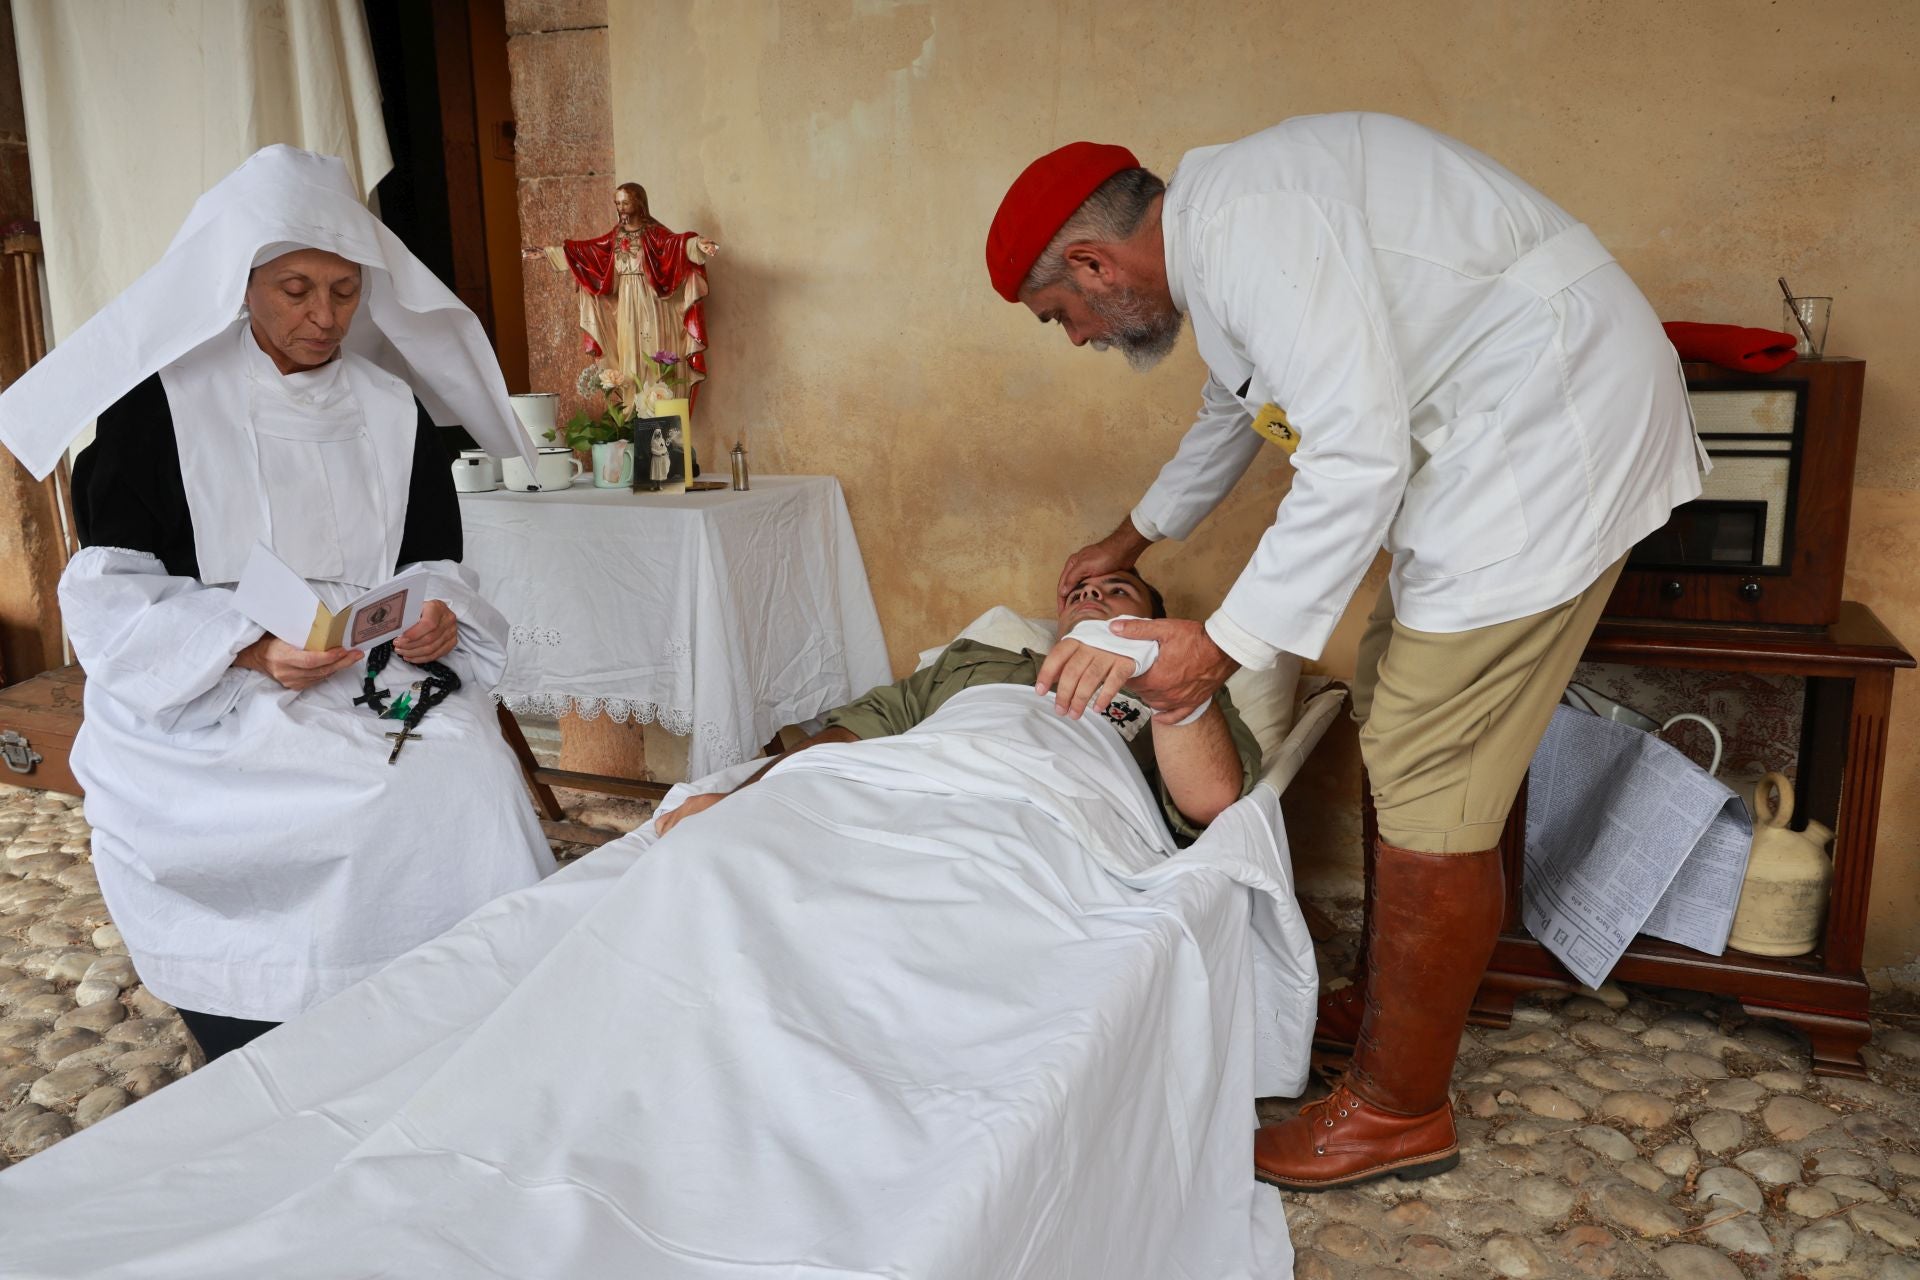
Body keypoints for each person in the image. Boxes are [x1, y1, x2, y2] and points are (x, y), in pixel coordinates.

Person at [984, 113, 1704, 1190]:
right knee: (1397, 713)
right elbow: (1243, 416)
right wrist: (1132, 537)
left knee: (1427, 756)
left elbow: (1355, 456)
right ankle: (1390, 1005)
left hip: (1545, 438)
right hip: (1497, 439)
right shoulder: (1221, 244)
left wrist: (1215, 650)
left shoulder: (1254, 230)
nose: (1080, 337)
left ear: (1093, 261)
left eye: (1062, 314)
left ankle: (1397, 1106)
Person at [0, 146, 555, 1062]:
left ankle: (442, 1016)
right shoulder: (160, 408)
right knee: (328, 800)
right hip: (209, 679)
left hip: (370, 667)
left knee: (465, 778)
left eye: (343, 291)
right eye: (296, 288)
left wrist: (438, 616)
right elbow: (110, 589)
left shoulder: (392, 406)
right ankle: (268, 1017)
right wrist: (249, 650)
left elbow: (434, 558)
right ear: (242, 283)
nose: (323, 315)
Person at [661, 567, 1262, 843]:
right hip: (908, 792)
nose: (1091, 594)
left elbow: (1209, 805)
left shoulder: (1180, 682)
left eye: (1117, 591)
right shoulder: (976, 658)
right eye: (1080, 592)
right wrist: (746, 798)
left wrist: (1167, 687)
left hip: (1042, 820)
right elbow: (849, 739)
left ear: (1151, 618)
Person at [529, 182, 719, 407]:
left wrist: (698, 244)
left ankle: (657, 408)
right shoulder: (616, 236)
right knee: (629, 356)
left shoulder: (653, 233)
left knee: (653, 352)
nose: (620, 208)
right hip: (627, 303)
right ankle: (634, 410)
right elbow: (586, 252)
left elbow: (675, 244)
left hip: (651, 302)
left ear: (639, 203)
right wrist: (547, 253)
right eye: (617, 203)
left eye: (625, 202)